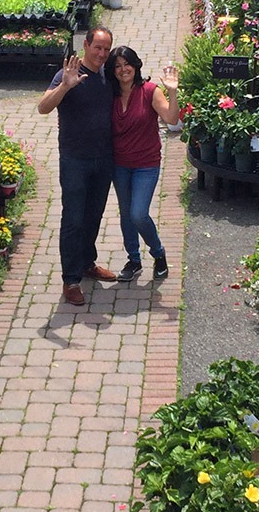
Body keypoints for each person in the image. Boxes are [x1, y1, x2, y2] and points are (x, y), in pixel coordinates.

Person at [38, 28, 117, 306]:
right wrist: (65, 86)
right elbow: (43, 108)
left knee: (94, 214)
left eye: (106, 49)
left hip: (104, 158)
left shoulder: (110, 75)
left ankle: (87, 263)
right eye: (97, 47)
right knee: (73, 219)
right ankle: (70, 280)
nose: (102, 54)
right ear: (85, 45)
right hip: (74, 160)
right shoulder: (68, 74)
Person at [105, 46, 180, 282]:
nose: (122, 69)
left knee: (138, 214)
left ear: (136, 65)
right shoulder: (111, 94)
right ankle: (134, 260)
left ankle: (158, 254)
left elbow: (171, 118)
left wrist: (173, 93)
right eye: (117, 66)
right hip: (119, 164)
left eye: (126, 64)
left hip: (146, 164)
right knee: (126, 214)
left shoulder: (149, 91)